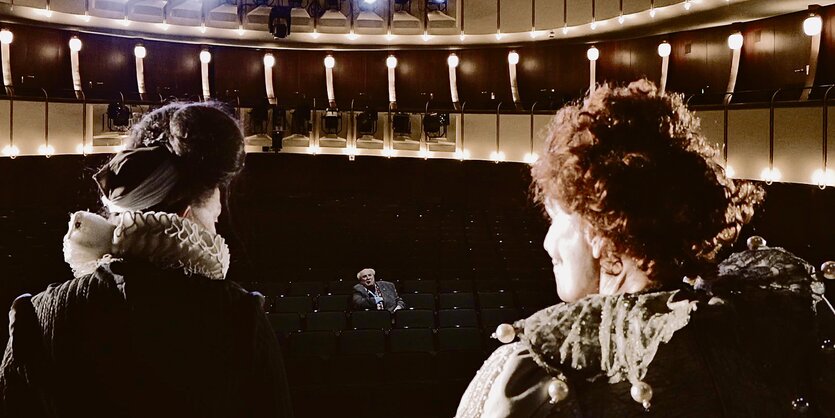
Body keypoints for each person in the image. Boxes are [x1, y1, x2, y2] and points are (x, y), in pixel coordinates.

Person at [456, 80, 835, 417]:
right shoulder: (754, 336)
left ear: (598, 228)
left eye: (557, 218)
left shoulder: (539, 371)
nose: (547, 243)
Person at [0, 102, 293, 417]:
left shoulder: (36, 314)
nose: (216, 226)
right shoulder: (240, 319)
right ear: (187, 214)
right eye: (214, 216)